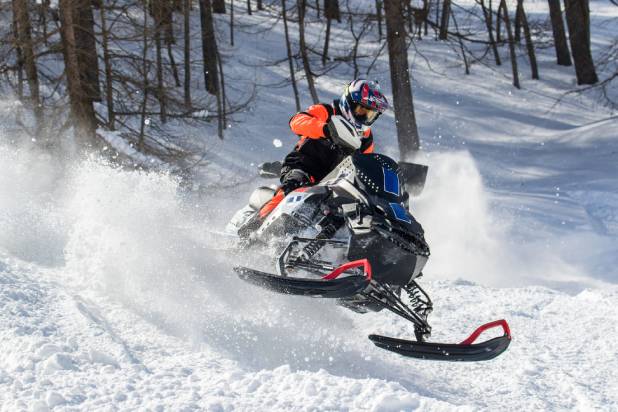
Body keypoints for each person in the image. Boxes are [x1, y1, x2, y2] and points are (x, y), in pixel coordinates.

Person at [257, 79, 389, 219]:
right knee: (293, 186)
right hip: (303, 165)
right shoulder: (327, 111)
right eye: (361, 110)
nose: (364, 116)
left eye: (370, 114)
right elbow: (296, 121)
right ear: (349, 102)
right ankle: (254, 229)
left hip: (336, 181)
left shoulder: (366, 137)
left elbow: (365, 164)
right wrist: (325, 129)